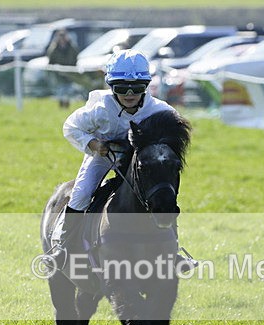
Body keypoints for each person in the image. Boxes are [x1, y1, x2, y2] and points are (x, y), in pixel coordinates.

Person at [43, 49, 194, 272]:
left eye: (138, 87)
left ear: (147, 86)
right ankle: (62, 248)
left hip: (141, 161)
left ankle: (174, 253)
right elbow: (70, 126)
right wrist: (93, 144)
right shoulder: (100, 108)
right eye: (122, 87)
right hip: (105, 155)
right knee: (82, 192)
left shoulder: (162, 110)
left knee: (163, 195)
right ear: (110, 86)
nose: (130, 93)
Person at [46, 30, 79, 108]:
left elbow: (75, 58)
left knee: (68, 90)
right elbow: (51, 61)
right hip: (58, 74)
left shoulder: (72, 47)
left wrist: (71, 69)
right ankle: (61, 105)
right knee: (60, 90)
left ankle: (67, 105)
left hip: (70, 73)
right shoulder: (53, 48)